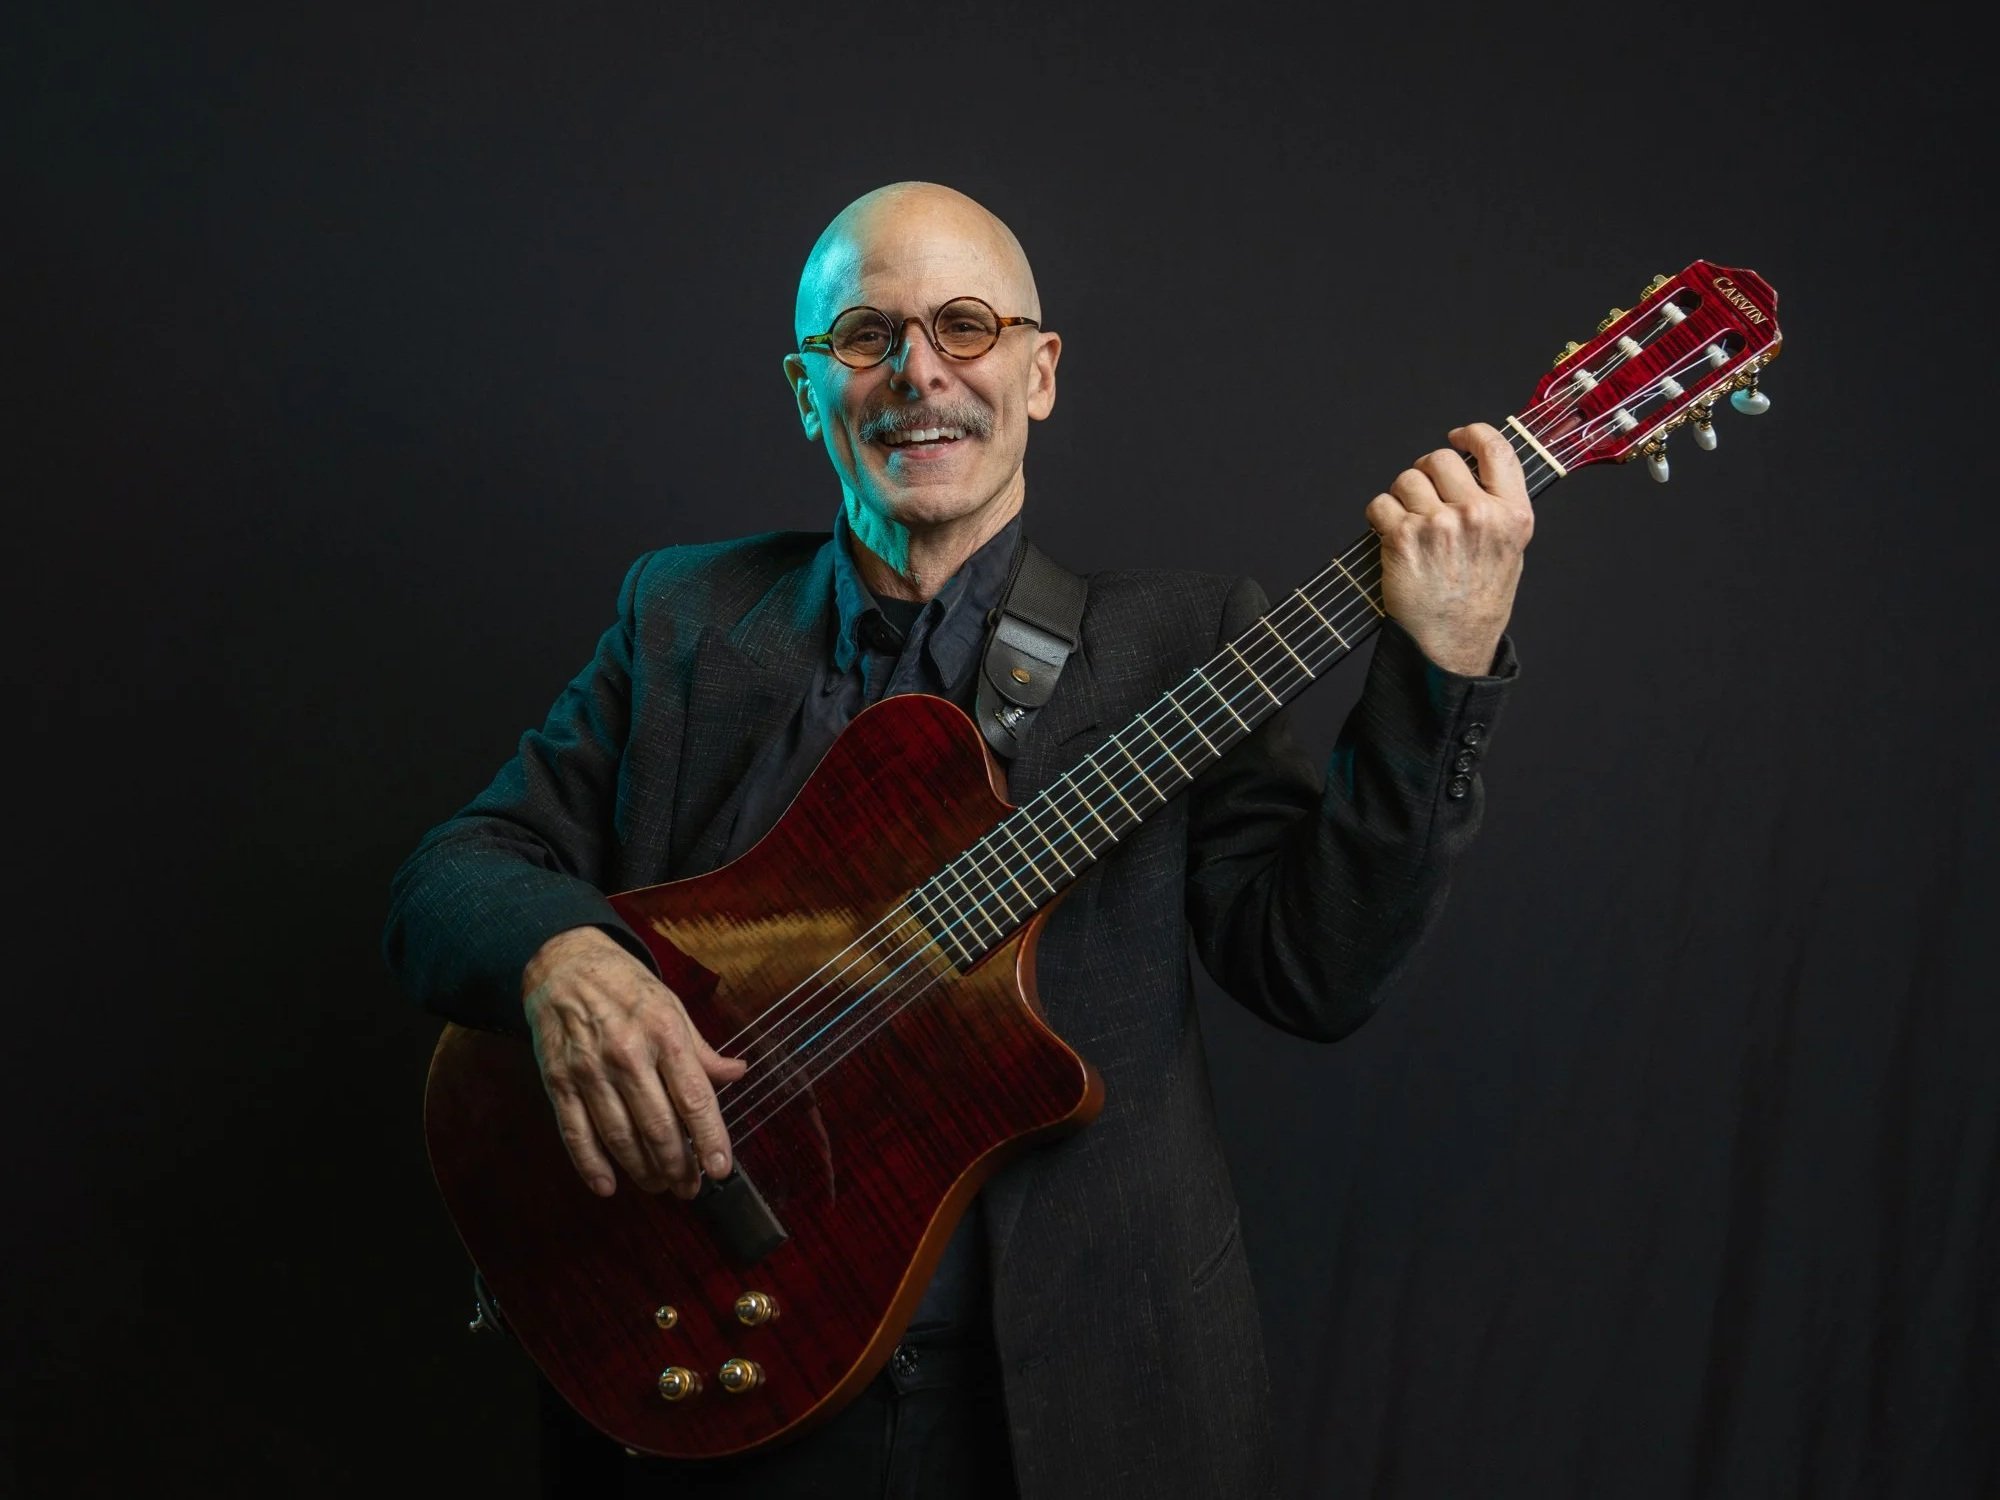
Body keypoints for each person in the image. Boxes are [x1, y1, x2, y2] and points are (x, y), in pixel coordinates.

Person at [384, 181, 1532, 1499]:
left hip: (1080, 1417)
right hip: (708, 1372)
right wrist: (563, 965)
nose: (919, 372)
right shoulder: (685, 620)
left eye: (966, 325)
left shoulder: (1184, 643)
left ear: (1040, 374)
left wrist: (1439, 668)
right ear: (806, 389)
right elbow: (449, 879)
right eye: (866, 336)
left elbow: (1315, 972)